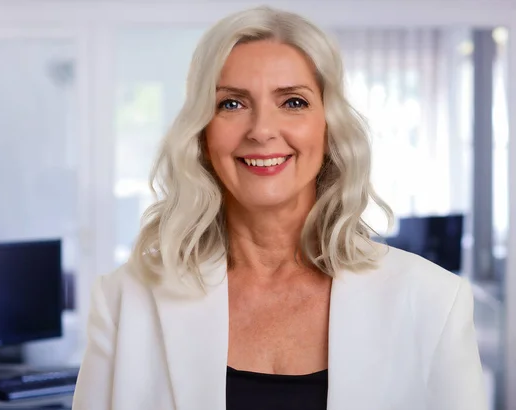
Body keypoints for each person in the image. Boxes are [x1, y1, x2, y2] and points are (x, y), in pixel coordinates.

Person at [72, 6, 487, 410]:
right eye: (231, 103)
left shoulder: (433, 300)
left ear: (329, 125)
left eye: (292, 102)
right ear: (201, 132)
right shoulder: (126, 300)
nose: (262, 131)